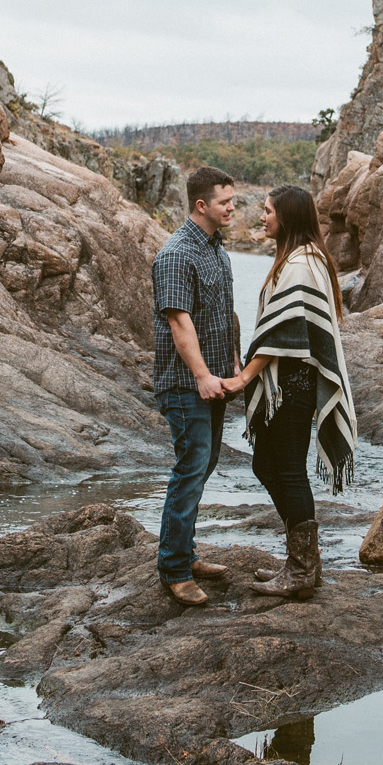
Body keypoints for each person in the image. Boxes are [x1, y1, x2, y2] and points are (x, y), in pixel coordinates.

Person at [220, 184, 357, 598]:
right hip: (287, 382)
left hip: (292, 384)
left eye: (267, 211)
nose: (261, 217)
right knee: (266, 464)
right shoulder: (297, 258)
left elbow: (286, 331)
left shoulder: (302, 263)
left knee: (290, 471)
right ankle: (302, 562)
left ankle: (301, 570)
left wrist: (244, 378)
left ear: (288, 217)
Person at [150, 165, 241, 607]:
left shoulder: (217, 251)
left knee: (200, 469)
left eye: (234, 202)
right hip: (186, 385)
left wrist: (236, 367)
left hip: (215, 381)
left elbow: (225, 314)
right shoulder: (175, 254)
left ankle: (183, 553)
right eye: (225, 202)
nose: (232, 209)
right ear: (201, 205)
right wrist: (204, 376)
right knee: (190, 468)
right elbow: (178, 323)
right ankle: (174, 569)